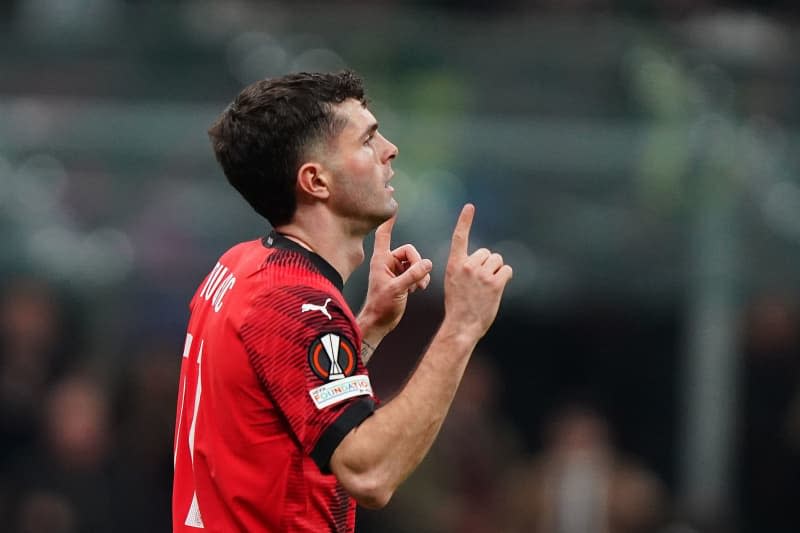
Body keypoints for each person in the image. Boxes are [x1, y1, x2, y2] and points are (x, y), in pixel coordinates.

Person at [171, 70, 512, 533]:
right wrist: (462, 327)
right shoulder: (294, 304)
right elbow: (369, 473)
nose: (389, 150)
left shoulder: (241, 267)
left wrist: (364, 328)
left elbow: (283, 406)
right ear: (315, 181)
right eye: (367, 140)